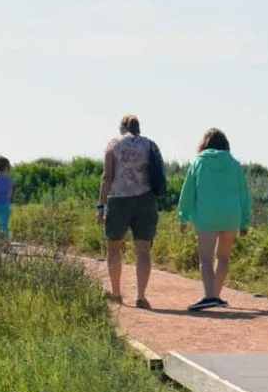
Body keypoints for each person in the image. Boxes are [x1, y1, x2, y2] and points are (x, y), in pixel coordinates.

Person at [177, 128, 252, 312]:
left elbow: (188, 192)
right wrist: (244, 221)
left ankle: (210, 296)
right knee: (223, 258)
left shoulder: (198, 162)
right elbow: (244, 194)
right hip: (230, 215)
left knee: (205, 259)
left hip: (207, 215)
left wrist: (184, 217)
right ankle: (216, 295)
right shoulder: (234, 165)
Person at [100, 114, 168, 309]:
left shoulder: (113, 145)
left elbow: (107, 177)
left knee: (113, 247)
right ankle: (141, 296)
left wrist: (100, 205)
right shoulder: (149, 145)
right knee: (143, 251)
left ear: (122, 127)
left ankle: (116, 293)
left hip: (118, 199)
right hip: (145, 199)